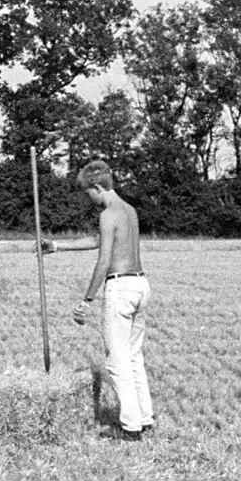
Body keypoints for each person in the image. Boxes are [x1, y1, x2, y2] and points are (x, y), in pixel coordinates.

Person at [41, 161, 153, 440]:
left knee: (116, 361)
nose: (88, 199)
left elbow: (103, 261)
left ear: (98, 187)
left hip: (121, 288)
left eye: (88, 193)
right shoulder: (128, 211)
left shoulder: (107, 215)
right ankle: (145, 417)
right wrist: (57, 246)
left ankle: (130, 428)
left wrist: (87, 300)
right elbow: (99, 240)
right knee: (134, 356)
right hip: (141, 285)